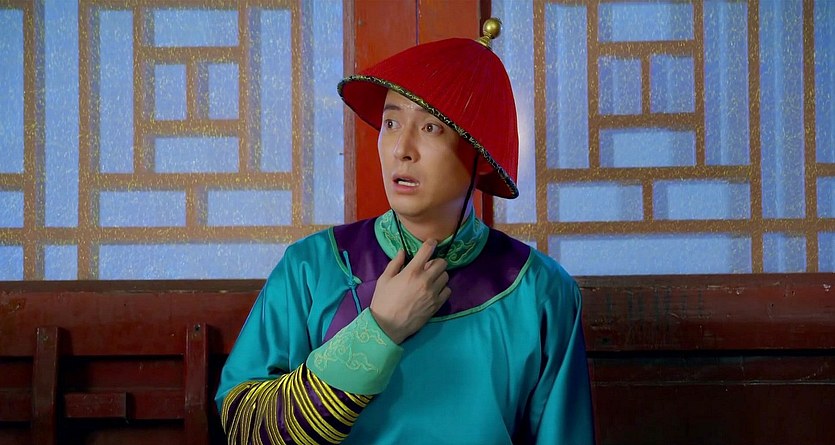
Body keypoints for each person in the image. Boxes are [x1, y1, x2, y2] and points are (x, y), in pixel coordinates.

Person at [215, 18, 594, 444]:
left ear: (481, 156)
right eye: (392, 123)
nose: (401, 150)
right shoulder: (312, 268)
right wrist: (378, 330)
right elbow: (244, 425)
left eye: (431, 128)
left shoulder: (540, 291)